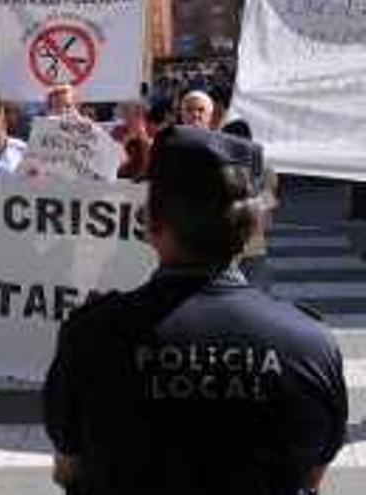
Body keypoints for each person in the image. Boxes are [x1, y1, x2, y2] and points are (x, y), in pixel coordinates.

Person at [43, 126, 348, 495]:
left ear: (151, 225)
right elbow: (312, 478)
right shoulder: (311, 344)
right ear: (251, 228)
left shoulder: (90, 336)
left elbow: (67, 471)